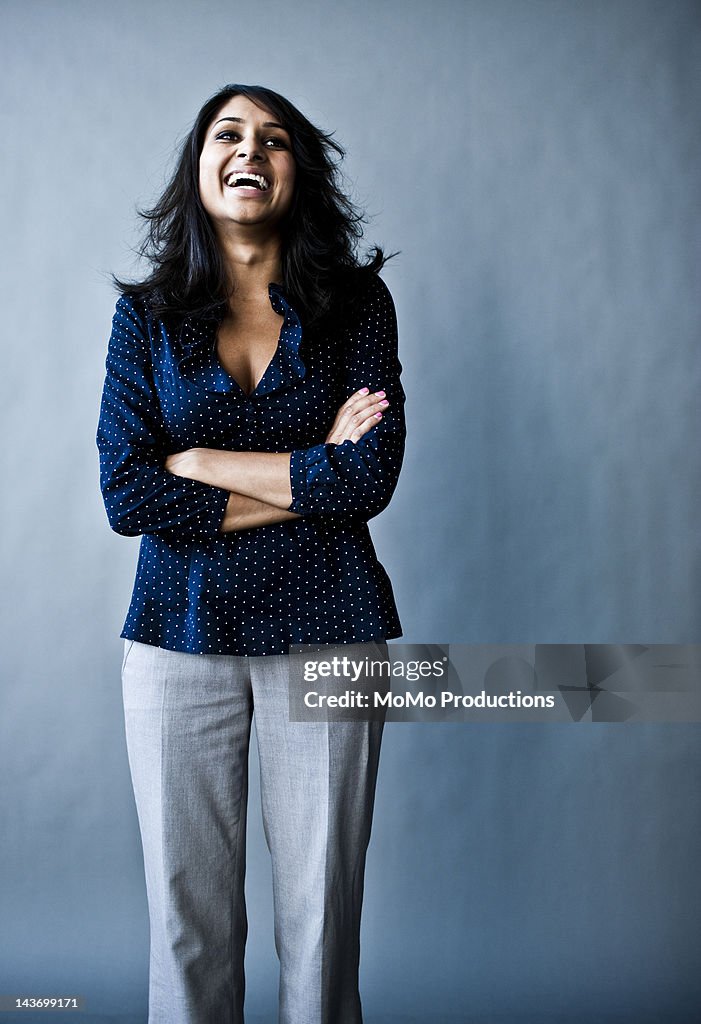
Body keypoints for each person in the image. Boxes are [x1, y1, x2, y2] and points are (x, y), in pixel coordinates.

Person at [96, 83, 405, 1024]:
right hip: (174, 634)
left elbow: (368, 484)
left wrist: (201, 463)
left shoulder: (356, 304)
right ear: (198, 169)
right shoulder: (146, 318)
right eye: (228, 134)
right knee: (186, 926)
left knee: (321, 920)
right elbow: (128, 493)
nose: (250, 150)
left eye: (273, 139)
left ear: (295, 172)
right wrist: (310, 471)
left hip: (333, 628)